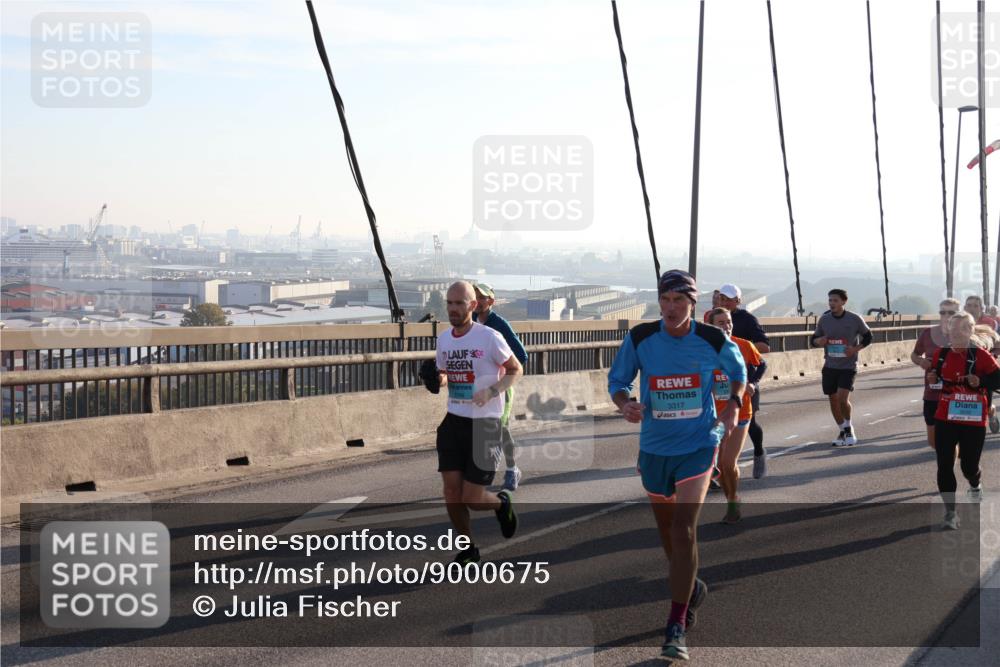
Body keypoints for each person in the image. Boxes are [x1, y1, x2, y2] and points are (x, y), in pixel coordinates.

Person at [608, 270, 747, 661]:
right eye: (665, 300)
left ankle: (676, 624)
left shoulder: (712, 338)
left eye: (679, 301)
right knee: (668, 533)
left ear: (692, 304)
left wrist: (733, 406)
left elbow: (738, 372)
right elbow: (618, 381)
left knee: (684, 529)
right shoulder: (641, 337)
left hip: (698, 445)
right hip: (654, 448)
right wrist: (626, 404)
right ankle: (691, 586)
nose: (671, 308)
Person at [421, 281, 522, 564]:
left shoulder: (489, 338)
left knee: (472, 498)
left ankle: (501, 504)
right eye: (449, 303)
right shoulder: (444, 340)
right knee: (452, 492)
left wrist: (491, 391)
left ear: (473, 306)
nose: (453, 309)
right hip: (454, 421)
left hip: (485, 424)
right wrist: (436, 379)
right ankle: (468, 548)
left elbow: (516, 369)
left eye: (459, 303)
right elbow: (444, 374)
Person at [926, 312, 999, 529]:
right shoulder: (941, 354)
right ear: (948, 331)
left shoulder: (981, 356)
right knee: (944, 464)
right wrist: (933, 377)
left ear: (970, 331)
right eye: (954, 329)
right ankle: (951, 513)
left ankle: (975, 484)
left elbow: (997, 379)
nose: (957, 334)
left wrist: (981, 381)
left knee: (969, 466)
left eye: (962, 329)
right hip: (946, 417)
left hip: (973, 420)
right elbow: (936, 376)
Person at [708, 307, 766, 524]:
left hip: (740, 410)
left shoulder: (743, 345)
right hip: (713, 413)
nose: (727, 326)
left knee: (727, 462)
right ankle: (732, 497)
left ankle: (732, 501)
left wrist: (752, 383)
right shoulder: (702, 350)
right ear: (711, 327)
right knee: (719, 467)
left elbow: (761, 364)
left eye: (729, 322)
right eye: (721, 322)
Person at [473, 282, 529, 491]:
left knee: (501, 428)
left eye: (482, 297)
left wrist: (504, 375)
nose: (478, 301)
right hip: (478, 386)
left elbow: (521, 355)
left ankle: (512, 469)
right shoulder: (471, 322)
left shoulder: (499, 324)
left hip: (501, 387)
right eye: (475, 297)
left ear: (491, 301)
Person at [718, 283, 771, 478]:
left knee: (750, 423)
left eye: (729, 299)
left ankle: (758, 452)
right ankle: (717, 470)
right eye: (722, 298)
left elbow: (764, 347)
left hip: (745, 382)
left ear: (738, 301)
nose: (724, 301)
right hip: (719, 384)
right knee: (716, 424)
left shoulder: (747, 320)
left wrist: (741, 347)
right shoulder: (713, 316)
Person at [811, 289, 872, 446]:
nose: (832, 303)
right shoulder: (824, 319)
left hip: (848, 366)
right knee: (833, 400)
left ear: (844, 302)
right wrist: (819, 341)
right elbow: (813, 339)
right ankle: (843, 430)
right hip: (830, 366)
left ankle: (849, 429)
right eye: (830, 300)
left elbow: (868, 336)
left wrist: (854, 349)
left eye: (835, 300)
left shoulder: (854, 319)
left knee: (842, 398)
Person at [911, 299, 958, 449]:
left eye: (951, 312)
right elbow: (914, 354)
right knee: (933, 442)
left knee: (950, 440)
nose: (946, 316)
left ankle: (949, 461)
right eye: (943, 312)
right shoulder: (928, 333)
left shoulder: (964, 334)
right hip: (932, 394)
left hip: (956, 394)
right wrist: (921, 361)